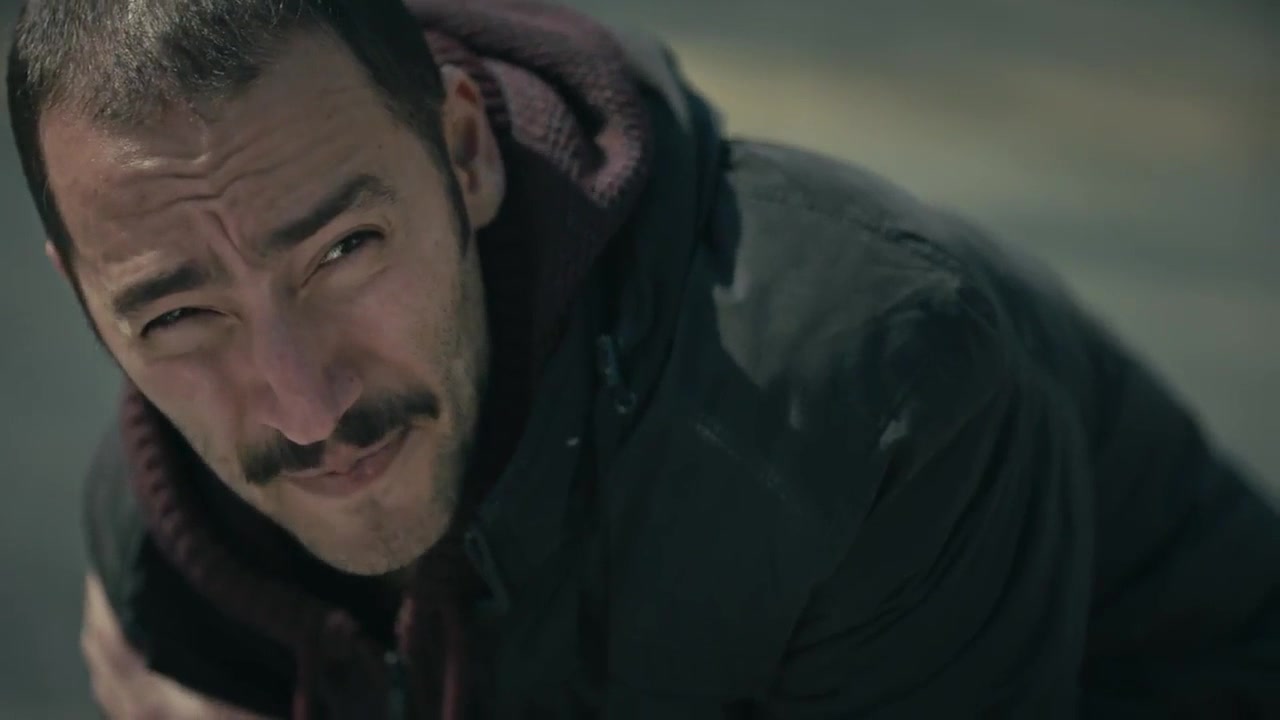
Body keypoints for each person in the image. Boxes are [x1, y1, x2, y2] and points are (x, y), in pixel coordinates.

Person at [7, 0, 1279, 717]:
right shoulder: (179, 551)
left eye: (343, 250)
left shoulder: (868, 400)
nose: (302, 405)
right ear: (87, 300)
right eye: (178, 316)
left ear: (466, 155)